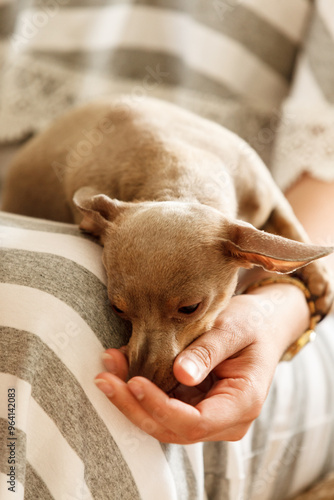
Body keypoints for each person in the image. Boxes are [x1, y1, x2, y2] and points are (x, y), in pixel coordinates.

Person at [1, 1, 334, 498]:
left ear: (255, 253)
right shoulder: (101, 198)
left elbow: (310, 243)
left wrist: (288, 304)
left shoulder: (250, 188)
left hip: (277, 285)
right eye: (127, 310)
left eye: (186, 308)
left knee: (62, 326)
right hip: (32, 202)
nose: (149, 358)